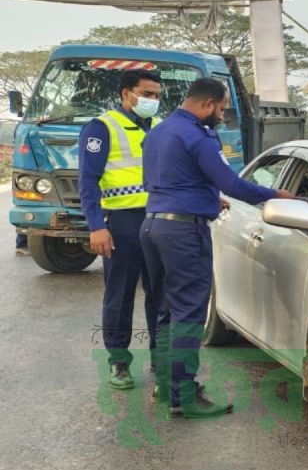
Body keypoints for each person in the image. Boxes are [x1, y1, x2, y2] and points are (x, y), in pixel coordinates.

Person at [140, 78, 292, 419]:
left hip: (152, 225)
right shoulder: (199, 136)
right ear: (207, 104)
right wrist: (275, 196)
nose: (222, 115)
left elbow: (168, 180)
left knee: (165, 309)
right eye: (222, 108)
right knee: (189, 314)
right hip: (183, 232)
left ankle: (167, 386)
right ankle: (185, 397)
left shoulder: (157, 133)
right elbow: (233, 183)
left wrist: (207, 198)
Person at [80, 69, 163, 390]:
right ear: (126, 94)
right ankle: (118, 363)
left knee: (161, 295)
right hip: (122, 223)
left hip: (159, 221)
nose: (152, 101)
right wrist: (96, 226)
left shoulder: (160, 127)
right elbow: (87, 181)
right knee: (120, 295)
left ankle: (161, 358)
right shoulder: (102, 128)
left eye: (156, 96)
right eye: (147, 94)